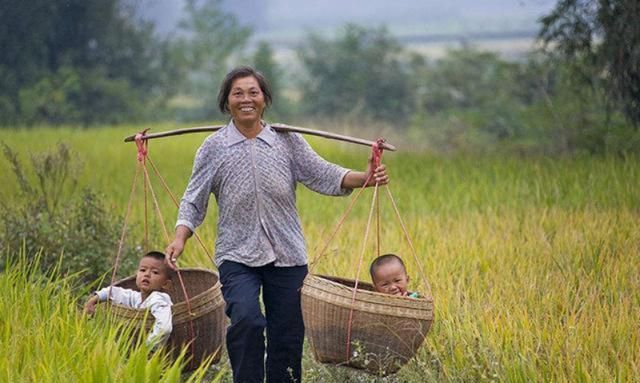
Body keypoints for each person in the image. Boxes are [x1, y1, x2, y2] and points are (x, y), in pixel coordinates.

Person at [164, 65, 389, 383]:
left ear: (264, 100)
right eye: (237, 93)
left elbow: (323, 173)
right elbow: (193, 200)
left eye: (253, 92)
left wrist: (366, 178)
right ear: (226, 102)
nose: (246, 99)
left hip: (288, 255)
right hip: (237, 255)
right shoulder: (213, 148)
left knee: (287, 336)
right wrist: (179, 238)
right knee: (246, 319)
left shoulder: (287, 141)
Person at [84, 251, 174, 348]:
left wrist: (148, 348)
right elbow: (114, 292)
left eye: (155, 272)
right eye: (143, 270)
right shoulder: (136, 297)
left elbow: (164, 328)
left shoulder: (158, 299)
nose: (147, 274)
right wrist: (93, 300)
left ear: (165, 284)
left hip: (154, 350)